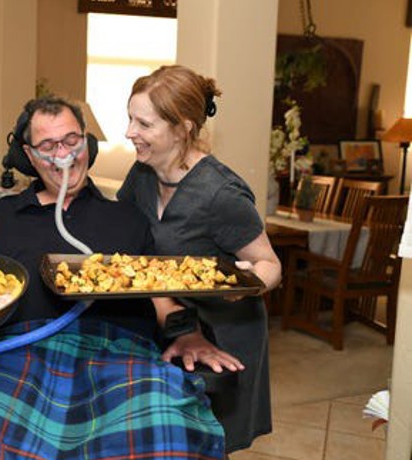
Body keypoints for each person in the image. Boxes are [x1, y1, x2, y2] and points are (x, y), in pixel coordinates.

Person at [0, 96, 225, 459]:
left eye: (71, 141)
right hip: (18, 353)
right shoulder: (4, 216)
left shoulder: (126, 218)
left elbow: (161, 297)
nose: (63, 153)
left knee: (169, 423)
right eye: (48, 145)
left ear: (86, 142)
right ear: (29, 155)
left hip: (117, 355)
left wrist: (189, 334)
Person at [117, 65, 282, 453]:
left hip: (222, 334)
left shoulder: (220, 194)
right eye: (129, 118)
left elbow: (270, 264)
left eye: (143, 123)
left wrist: (245, 286)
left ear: (182, 128)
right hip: (166, 320)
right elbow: (127, 239)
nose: (129, 133)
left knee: (206, 441)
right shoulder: (141, 175)